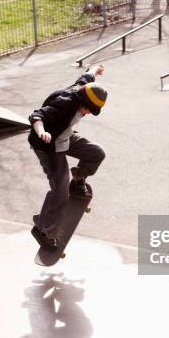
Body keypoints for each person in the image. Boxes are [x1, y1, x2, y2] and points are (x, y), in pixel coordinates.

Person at [28, 65, 108, 250]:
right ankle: (43, 230)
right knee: (60, 190)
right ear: (82, 100)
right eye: (87, 109)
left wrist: (96, 69)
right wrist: (41, 132)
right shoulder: (64, 103)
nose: (87, 113)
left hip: (64, 136)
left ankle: (78, 180)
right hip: (48, 146)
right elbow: (37, 115)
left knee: (96, 153)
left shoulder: (83, 87)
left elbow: (87, 75)